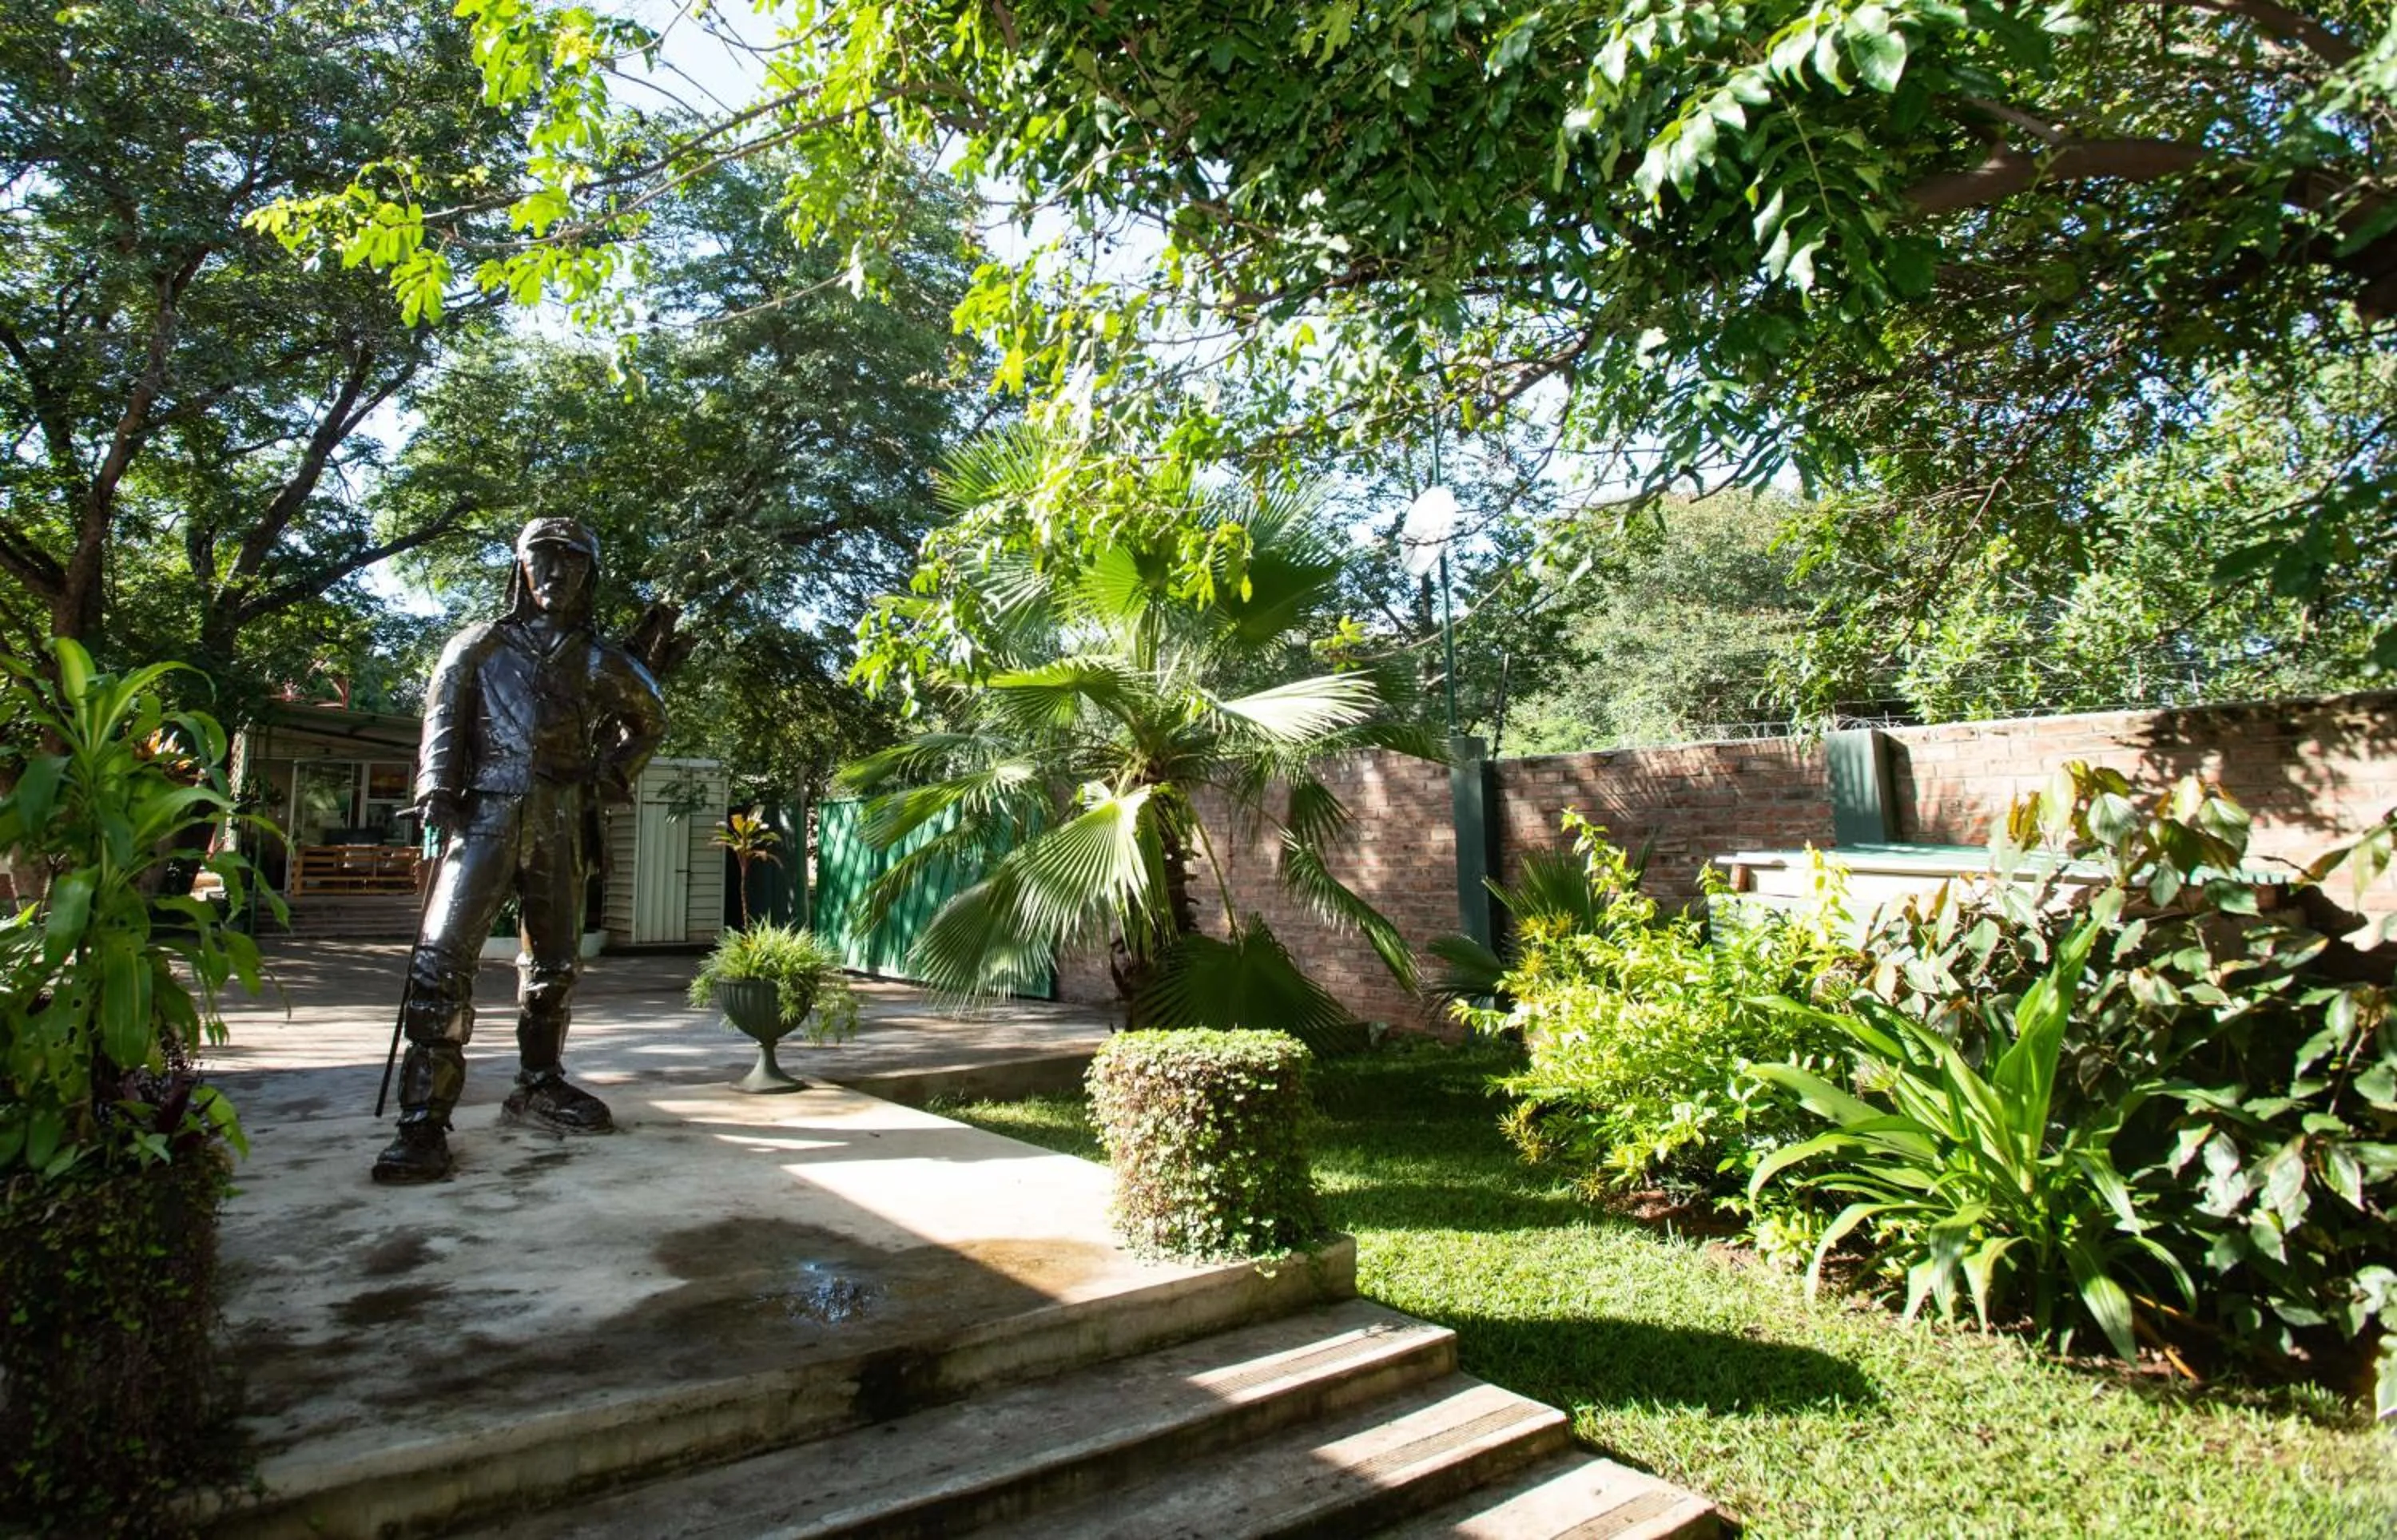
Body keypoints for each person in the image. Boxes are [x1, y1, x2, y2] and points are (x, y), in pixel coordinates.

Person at [372, 518, 666, 1184]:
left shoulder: (599, 659)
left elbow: (651, 719)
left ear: (589, 574)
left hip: (560, 821)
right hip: (484, 817)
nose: (556, 573)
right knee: (442, 963)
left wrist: (606, 773)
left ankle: (539, 1082)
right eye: (543, 559)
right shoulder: (476, 647)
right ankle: (421, 1123)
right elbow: (442, 722)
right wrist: (437, 790)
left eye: (572, 562)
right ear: (521, 567)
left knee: (554, 966)